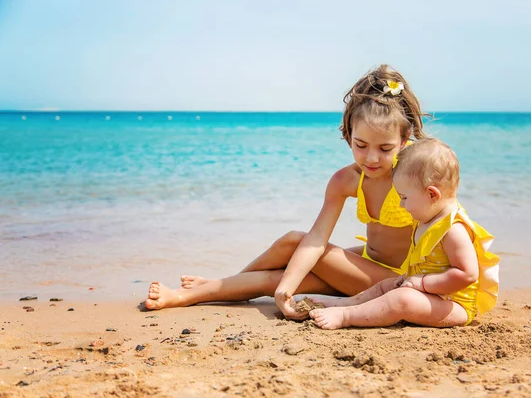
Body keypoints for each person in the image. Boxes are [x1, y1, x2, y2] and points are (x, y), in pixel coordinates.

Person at [145, 64, 429, 319]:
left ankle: (199, 292)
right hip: (365, 265)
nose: (371, 158)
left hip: (399, 280)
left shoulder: (412, 176)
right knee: (277, 277)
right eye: (361, 145)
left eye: (385, 148)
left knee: (295, 244)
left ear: (404, 140)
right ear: (348, 134)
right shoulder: (345, 180)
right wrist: (287, 288)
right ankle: (222, 287)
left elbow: (449, 219)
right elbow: (319, 237)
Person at [309, 138, 500, 329]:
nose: (401, 204)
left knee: (402, 298)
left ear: (432, 195)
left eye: (404, 197)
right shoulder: (428, 219)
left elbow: (467, 274)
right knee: (386, 286)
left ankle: (346, 316)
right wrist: (410, 277)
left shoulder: (452, 230)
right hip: (430, 295)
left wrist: (423, 284)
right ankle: (348, 303)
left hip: (453, 304)